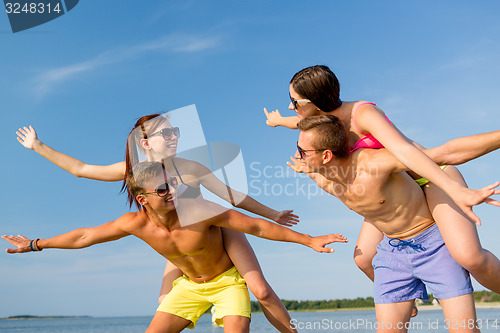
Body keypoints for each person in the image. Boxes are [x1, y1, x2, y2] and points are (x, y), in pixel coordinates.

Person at [16, 114, 298, 333]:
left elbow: (231, 197)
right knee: (164, 301)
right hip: (179, 240)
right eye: (166, 132)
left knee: (260, 290)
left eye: (175, 131)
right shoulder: (133, 172)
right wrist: (37, 146)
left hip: (215, 230)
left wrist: (272, 214)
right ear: (146, 142)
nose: (173, 136)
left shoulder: (190, 167)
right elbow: (81, 170)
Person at [2, 161, 347, 332]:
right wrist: (35, 244)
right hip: (188, 288)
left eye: (172, 185)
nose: (171, 192)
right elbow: (84, 236)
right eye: (162, 190)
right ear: (142, 199)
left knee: (257, 300)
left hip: (227, 283)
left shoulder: (201, 211)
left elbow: (256, 226)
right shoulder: (135, 224)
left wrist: (308, 240)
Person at [264, 65, 500, 297]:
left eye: (294, 102)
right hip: (394, 191)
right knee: (364, 259)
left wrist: (454, 189)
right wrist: (277, 121)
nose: (290, 106)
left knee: (469, 256)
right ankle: (405, 300)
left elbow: (407, 151)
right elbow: (296, 122)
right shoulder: (322, 123)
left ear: (314, 102)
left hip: (431, 176)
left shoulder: (362, 114)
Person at [289, 115, 499, 332]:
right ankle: (406, 299)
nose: (297, 155)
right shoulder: (320, 176)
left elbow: (445, 154)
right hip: (392, 254)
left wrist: (459, 187)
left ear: (326, 155)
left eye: (302, 151)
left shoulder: (373, 163)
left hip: (434, 246)